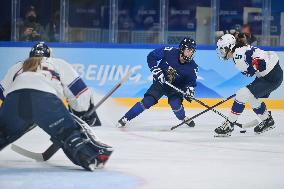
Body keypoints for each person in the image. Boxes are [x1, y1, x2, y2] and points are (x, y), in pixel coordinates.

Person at [0, 42, 112, 171]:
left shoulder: (18, 66)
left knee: (3, 132)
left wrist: (21, 116)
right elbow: (79, 92)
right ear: (49, 55)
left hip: (14, 100)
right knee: (68, 133)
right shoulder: (57, 63)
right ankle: (90, 158)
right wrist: (82, 112)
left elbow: (2, 91)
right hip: (45, 100)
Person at [117, 37, 198, 128]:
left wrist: (190, 90)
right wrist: (155, 69)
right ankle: (126, 118)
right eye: (188, 50)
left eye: (192, 51)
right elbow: (151, 56)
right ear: (182, 49)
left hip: (175, 88)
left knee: (175, 105)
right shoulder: (169, 51)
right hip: (161, 82)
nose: (190, 53)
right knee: (148, 101)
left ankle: (183, 118)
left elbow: (191, 83)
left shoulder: (193, 67)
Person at [215, 34, 283, 136]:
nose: (221, 52)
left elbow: (260, 63)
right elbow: (253, 64)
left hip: (271, 77)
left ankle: (229, 124)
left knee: (241, 94)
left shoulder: (238, 54)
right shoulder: (238, 52)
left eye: (222, 49)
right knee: (252, 99)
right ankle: (267, 120)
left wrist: (258, 63)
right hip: (269, 75)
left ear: (229, 47)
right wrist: (256, 65)